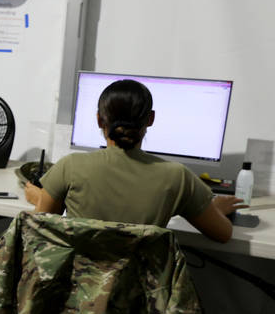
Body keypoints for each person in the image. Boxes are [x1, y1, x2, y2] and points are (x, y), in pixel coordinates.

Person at [25, 78, 243, 241]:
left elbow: (42, 230)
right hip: (141, 297)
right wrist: (216, 209)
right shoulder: (178, 177)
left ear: (99, 120)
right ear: (151, 119)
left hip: (78, 296)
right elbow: (222, 234)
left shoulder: (70, 166)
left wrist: (41, 198)